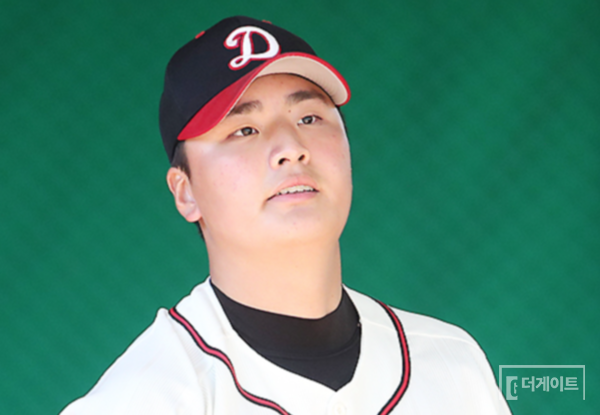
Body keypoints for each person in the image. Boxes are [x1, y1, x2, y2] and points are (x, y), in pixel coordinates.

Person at [61, 16, 511, 414]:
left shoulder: (452, 365)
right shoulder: (146, 398)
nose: (291, 148)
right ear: (186, 192)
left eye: (309, 118)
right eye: (244, 129)